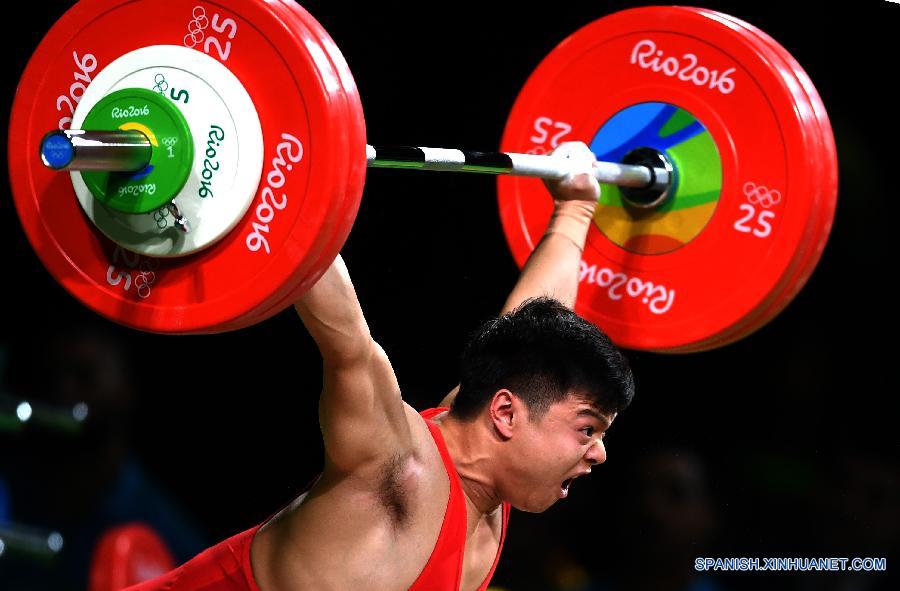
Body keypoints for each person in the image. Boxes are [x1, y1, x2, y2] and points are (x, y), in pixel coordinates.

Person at [128, 141, 635, 591]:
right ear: (506, 415)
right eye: (587, 429)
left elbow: (536, 332)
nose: (600, 454)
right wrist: (260, 180)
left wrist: (575, 208)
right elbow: (347, 339)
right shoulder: (396, 466)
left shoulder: (493, 484)